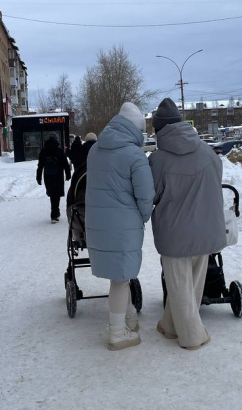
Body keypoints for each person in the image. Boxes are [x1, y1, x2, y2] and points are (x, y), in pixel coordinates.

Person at [149, 98, 228, 350]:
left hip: (175, 232)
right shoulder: (207, 151)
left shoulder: (158, 159)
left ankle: (192, 336)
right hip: (206, 229)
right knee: (192, 284)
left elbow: (151, 194)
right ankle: (170, 325)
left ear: (160, 129)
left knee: (179, 284)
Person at [85, 103, 154, 351]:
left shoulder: (95, 151)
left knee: (120, 275)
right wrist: (144, 217)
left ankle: (129, 316)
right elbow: (146, 195)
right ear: (136, 129)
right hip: (124, 225)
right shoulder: (134, 155)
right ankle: (117, 332)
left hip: (97, 225)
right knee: (122, 277)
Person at [36, 135, 71, 222]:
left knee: (52, 194)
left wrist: (38, 177)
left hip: (48, 176)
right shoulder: (59, 151)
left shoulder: (44, 151)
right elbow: (65, 164)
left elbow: (40, 165)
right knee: (57, 194)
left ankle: (55, 212)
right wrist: (68, 174)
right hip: (58, 175)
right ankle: (54, 214)